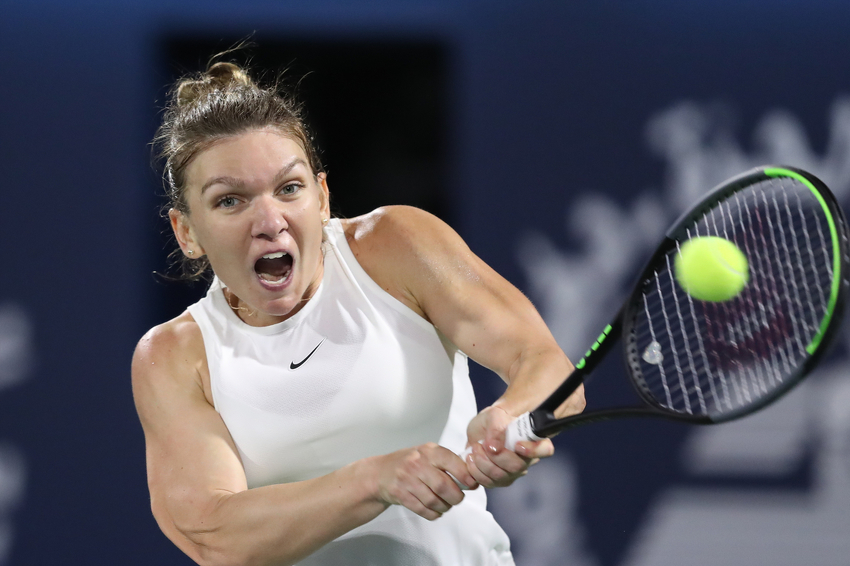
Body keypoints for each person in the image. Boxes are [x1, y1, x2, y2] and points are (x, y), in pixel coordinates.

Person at [132, 60, 585, 566]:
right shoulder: (175, 356)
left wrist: (510, 416)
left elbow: (542, 362)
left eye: (288, 188)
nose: (269, 221)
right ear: (186, 232)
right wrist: (373, 480)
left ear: (322, 197)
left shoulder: (396, 246)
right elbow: (215, 535)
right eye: (230, 200)